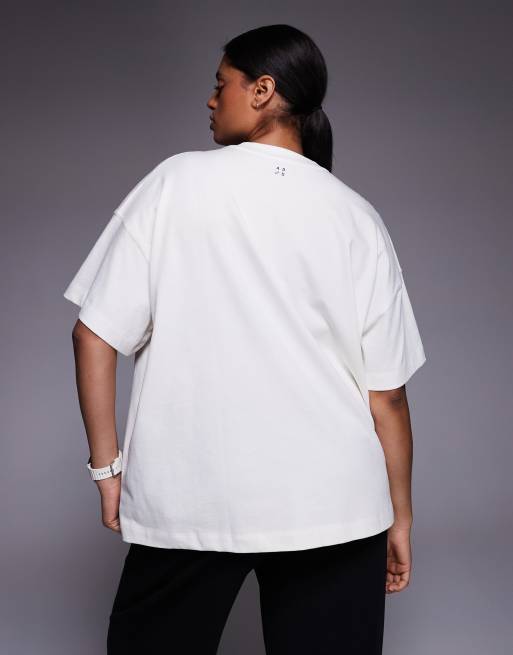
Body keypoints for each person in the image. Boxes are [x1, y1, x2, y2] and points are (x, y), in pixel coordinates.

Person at [63, 24, 427, 655]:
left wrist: (108, 469)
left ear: (262, 90)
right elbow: (387, 396)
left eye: (220, 84)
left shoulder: (175, 184)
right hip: (336, 505)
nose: (210, 99)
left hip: (189, 500)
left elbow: (93, 334)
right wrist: (401, 515)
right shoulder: (356, 216)